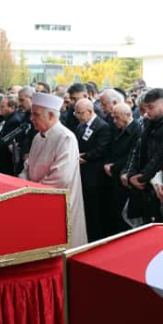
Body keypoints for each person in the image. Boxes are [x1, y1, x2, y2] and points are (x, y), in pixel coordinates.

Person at [21, 93, 87, 248]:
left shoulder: (66, 138)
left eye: (36, 114)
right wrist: (20, 182)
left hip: (57, 202)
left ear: (50, 115)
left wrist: (32, 189)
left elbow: (61, 178)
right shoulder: (38, 137)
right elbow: (28, 166)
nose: (31, 118)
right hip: (37, 198)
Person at [124, 88, 163, 224]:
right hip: (142, 182)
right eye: (145, 108)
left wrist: (143, 177)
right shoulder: (147, 121)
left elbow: (161, 154)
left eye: (151, 108)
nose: (147, 112)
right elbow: (138, 149)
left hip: (157, 182)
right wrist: (131, 174)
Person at [74, 98, 112, 242]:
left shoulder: (102, 126)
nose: (77, 116)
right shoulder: (80, 126)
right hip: (82, 171)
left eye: (80, 113)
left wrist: (85, 156)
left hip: (94, 173)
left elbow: (101, 149)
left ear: (90, 112)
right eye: (76, 113)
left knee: (94, 207)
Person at [104, 103, 142, 235]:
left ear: (128, 115)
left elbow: (131, 155)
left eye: (117, 118)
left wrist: (114, 166)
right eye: (113, 117)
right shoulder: (118, 128)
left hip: (124, 176)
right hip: (114, 174)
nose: (114, 121)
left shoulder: (137, 129)